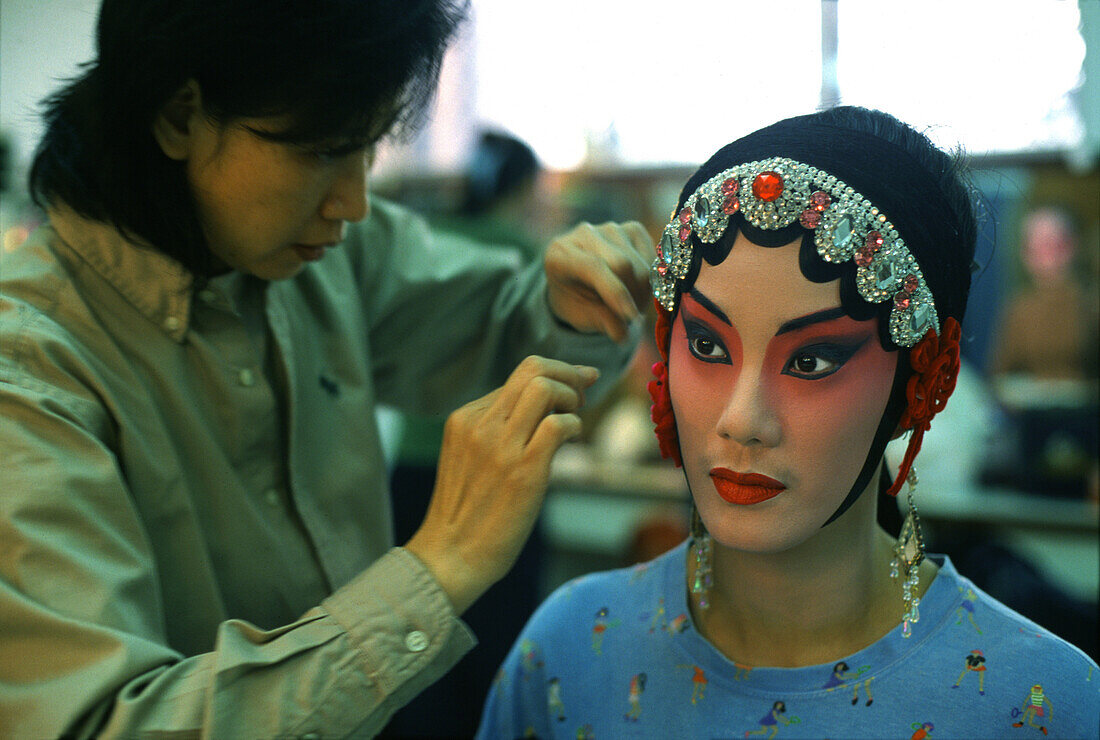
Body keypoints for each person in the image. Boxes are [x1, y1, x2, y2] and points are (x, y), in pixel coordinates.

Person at [0, 1, 654, 737]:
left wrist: (569, 303)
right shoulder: (29, 370)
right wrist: (439, 567)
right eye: (321, 150)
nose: (353, 201)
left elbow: (502, 322)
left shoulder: (326, 250)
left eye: (368, 147)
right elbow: (99, 726)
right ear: (181, 116)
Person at [477, 107, 1100, 738]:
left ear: (920, 380)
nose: (741, 420)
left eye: (810, 360)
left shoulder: (1038, 704)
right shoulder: (572, 654)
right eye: (707, 345)